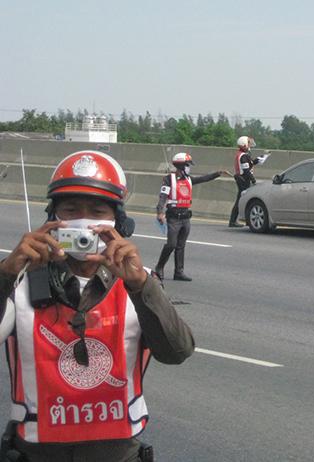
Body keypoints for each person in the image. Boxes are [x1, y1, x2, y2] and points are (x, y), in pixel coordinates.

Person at [0, 150, 194, 461]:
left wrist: (140, 286)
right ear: (52, 219)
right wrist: (6, 274)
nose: (83, 221)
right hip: (37, 452)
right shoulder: (19, 279)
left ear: (119, 221)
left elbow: (176, 351)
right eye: (71, 209)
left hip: (116, 453)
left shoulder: (139, 282)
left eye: (97, 210)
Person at [153, 152, 229, 281]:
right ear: (181, 165)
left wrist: (218, 173)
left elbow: (203, 179)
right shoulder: (168, 179)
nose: (189, 167)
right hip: (174, 217)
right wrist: (160, 212)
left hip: (185, 217)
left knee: (181, 245)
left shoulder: (188, 179)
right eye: (188, 165)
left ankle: (179, 272)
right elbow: (163, 196)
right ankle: (159, 267)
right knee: (171, 244)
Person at [228, 136, 267, 227]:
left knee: (242, 199)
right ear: (244, 144)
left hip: (242, 179)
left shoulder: (243, 155)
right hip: (243, 180)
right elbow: (246, 170)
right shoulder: (243, 156)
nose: (250, 145)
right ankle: (234, 221)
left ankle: (236, 221)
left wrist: (260, 158)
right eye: (248, 143)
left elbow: (251, 163)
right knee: (242, 200)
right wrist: (253, 180)